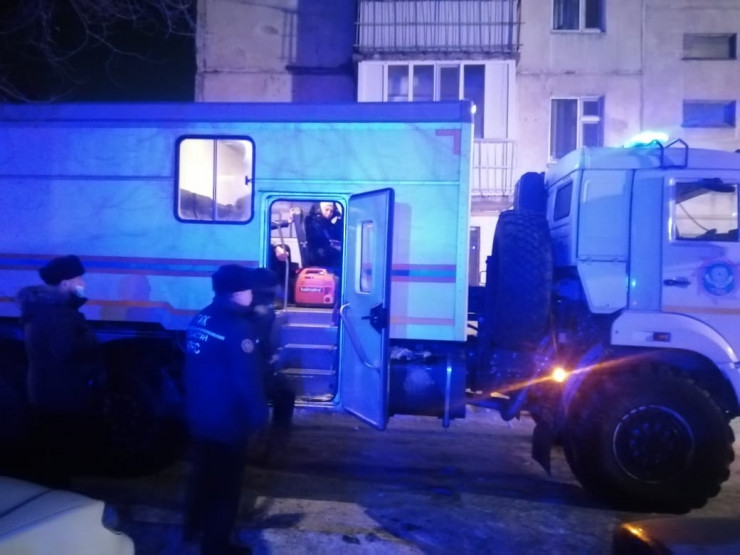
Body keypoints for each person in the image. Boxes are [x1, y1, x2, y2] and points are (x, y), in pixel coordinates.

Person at [182, 264, 268, 555]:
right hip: (226, 422)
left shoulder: (202, 317)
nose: (252, 295)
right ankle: (216, 546)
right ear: (237, 292)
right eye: (249, 290)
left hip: (199, 414)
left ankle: (191, 529)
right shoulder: (237, 328)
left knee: (202, 476)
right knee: (225, 489)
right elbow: (247, 379)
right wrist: (260, 417)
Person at [16, 254, 105, 486]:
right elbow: (67, 351)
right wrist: (90, 341)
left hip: (47, 393)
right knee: (59, 456)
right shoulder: (58, 315)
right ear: (66, 283)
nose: (82, 284)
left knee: (51, 452)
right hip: (61, 396)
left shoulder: (44, 309)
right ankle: (58, 498)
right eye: (78, 279)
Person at [250, 268, 296, 460]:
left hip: (248, 367)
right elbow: (259, 342)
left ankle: (270, 445)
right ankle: (275, 447)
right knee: (285, 394)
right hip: (251, 371)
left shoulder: (247, 307)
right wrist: (270, 358)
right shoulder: (264, 312)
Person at [304, 201, 343, 269]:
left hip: (323, 254)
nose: (329, 213)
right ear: (320, 209)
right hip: (318, 256)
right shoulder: (314, 222)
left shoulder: (326, 222)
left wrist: (337, 221)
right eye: (326, 210)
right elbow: (322, 239)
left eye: (331, 211)